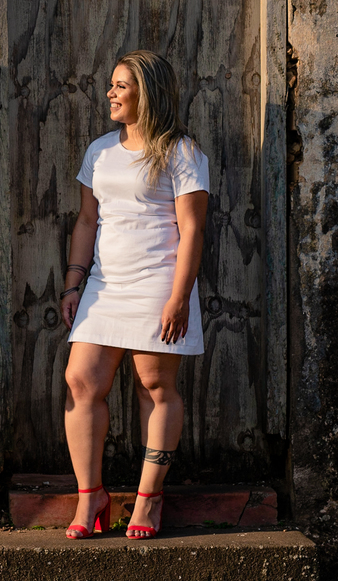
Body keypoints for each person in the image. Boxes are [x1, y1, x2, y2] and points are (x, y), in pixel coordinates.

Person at [59, 49, 209, 540]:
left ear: (148, 92)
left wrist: (179, 297)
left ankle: (148, 500)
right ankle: (91, 497)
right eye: (112, 84)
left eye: (121, 85)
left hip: (157, 284)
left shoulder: (181, 152)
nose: (111, 93)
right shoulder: (100, 150)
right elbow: (87, 220)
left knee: (154, 385)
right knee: (81, 381)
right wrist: (73, 283)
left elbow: (192, 231)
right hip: (105, 285)